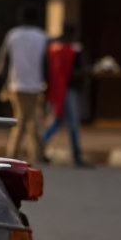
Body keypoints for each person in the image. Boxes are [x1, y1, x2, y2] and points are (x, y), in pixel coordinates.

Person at [0, 6, 49, 164]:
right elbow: (46, 62)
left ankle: (14, 153)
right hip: (35, 84)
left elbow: (4, 61)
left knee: (22, 119)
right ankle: (35, 153)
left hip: (16, 84)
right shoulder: (42, 36)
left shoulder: (13, 35)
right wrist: (46, 82)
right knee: (32, 119)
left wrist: (0, 79)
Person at [41, 23, 90, 167]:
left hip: (56, 88)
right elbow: (79, 71)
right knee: (73, 123)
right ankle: (76, 155)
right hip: (69, 90)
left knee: (58, 121)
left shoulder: (53, 47)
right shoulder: (74, 50)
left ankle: (40, 147)